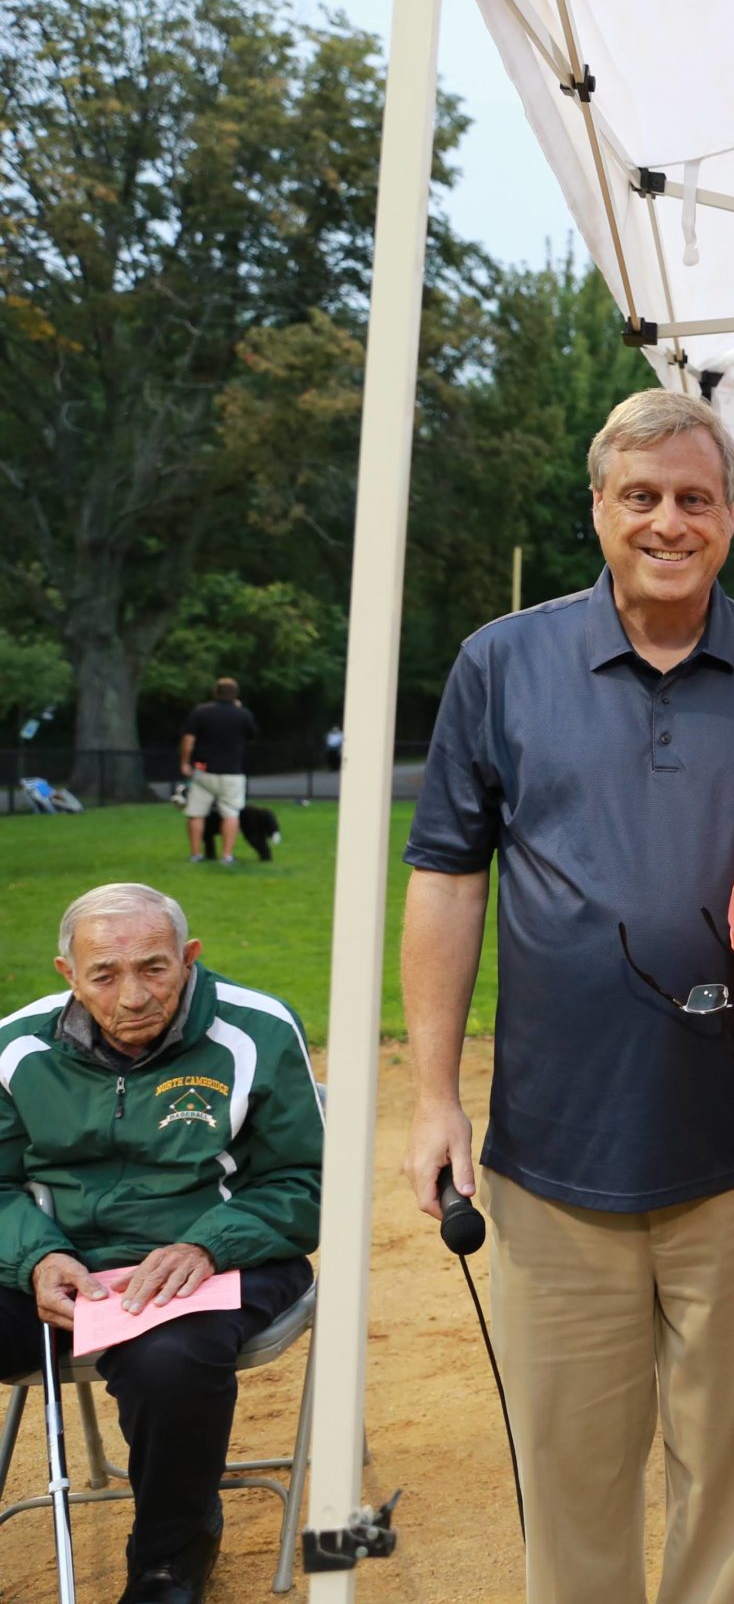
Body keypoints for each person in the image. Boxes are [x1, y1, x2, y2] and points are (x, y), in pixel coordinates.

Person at [399, 388, 734, 1604]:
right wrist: (433, 1095)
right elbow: (446, 877)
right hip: (554, 1153)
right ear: (597, 505)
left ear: (731, 515)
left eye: (695, 498)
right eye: (640, 496)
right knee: (572, 1483)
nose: (667, 522)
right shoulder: (501, 662)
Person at [0, 883, 322, 1604]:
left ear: (189, 957)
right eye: (104, 975)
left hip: (221, 1256)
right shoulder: (15, 1045)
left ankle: (170, 1560)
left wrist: (207, 1246)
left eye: (154, 967)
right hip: (63, 1263)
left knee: (171, 1361)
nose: (134, 996)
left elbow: (307, 1180)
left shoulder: (258, 1031)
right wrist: (36, 1258)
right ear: (68, 975)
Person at [177, 678, 257, 865]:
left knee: (196, 812)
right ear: (236, 694)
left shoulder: (201, 712)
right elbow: (252, 735)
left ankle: (196, 854)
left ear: (215, 692)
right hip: (232, 771)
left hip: (203, 770)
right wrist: (239, 709)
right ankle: (226, 856)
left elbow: (188, 740)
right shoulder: (243, 714)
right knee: (231, 812)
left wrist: (185, 763)